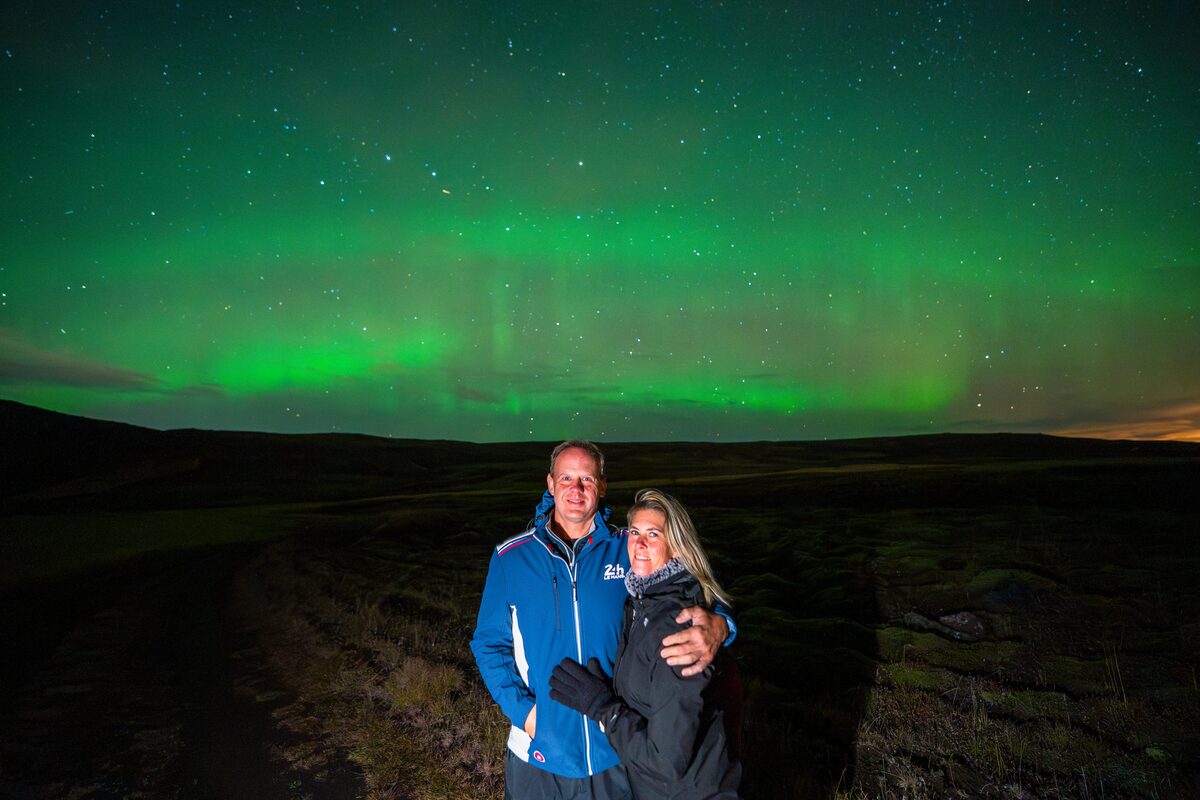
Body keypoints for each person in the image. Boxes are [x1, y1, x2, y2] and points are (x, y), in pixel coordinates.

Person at [471, 441, 734, 799]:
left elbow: (695, 582)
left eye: (587, 479)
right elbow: (489, 643)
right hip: (538, 755)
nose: (575, 489)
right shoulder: (511, 558)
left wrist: (721, 625)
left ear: (602, 486)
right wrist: (527, 714)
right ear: (550, 484)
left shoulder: (628, 548)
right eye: (566, 478)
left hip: (614, 753)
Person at [549, 489, 741, 799]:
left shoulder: (678, 631)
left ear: (678, 548)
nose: (638, 544)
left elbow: (665, 763)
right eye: (634, 532)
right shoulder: (642, 602)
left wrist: (602, 707)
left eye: (653, 534)